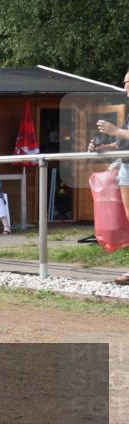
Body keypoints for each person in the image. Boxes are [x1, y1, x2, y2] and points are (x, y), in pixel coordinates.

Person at [90, 67, 129, 285]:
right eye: (125, 83)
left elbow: (122, 134)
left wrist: (114, 130)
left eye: (127, 82)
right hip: (126, 166)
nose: (125, 87)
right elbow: (124, 141)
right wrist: (103, 148)